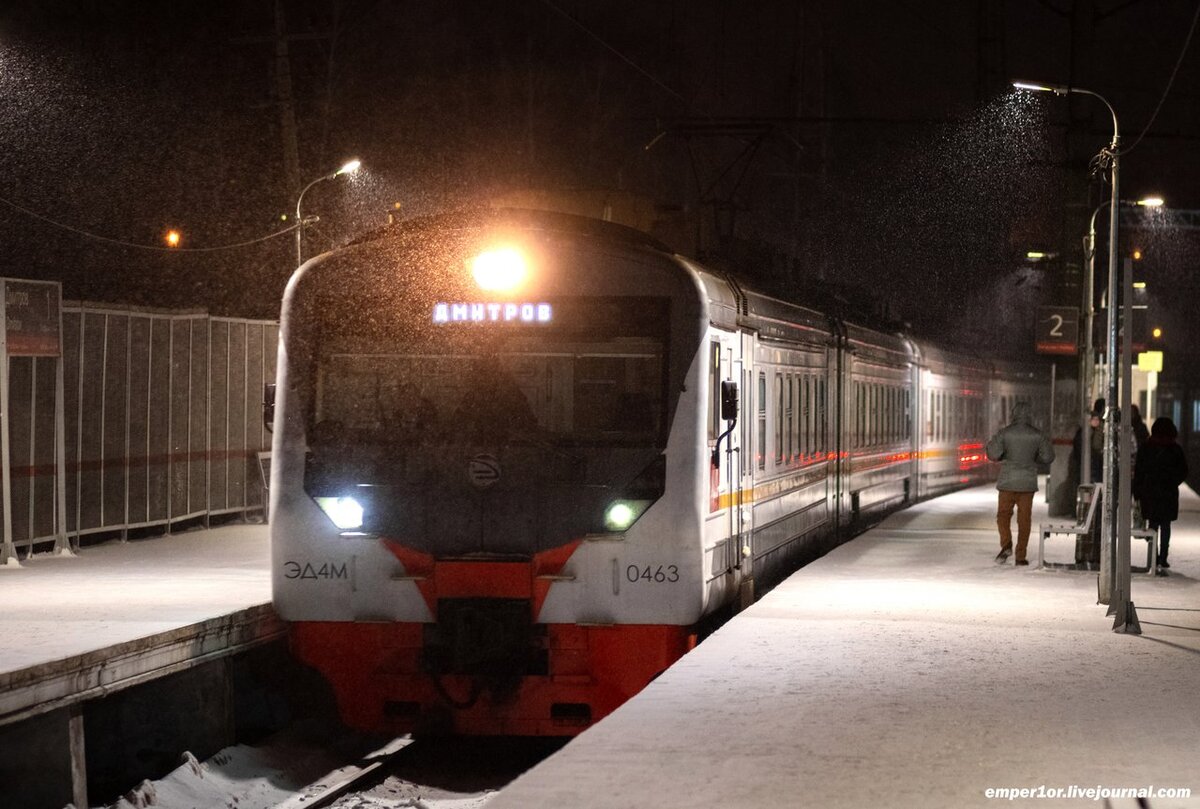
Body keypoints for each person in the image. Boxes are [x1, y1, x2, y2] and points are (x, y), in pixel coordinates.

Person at [986, 401, 1055, 566]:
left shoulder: (1004, 433)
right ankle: (1021, 556)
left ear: (1013, 414)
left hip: (1007, 482)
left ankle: (1006, 544)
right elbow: (1048, 457)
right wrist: (1034, 458)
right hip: (1027, 485)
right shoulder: (1037, 435)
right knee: (1024, 520)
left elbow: (992, 453)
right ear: (1029, 415)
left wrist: (1004, 455)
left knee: (1003, 516)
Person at [1132, 416, 1189, 570]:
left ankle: (1152, 556)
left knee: (1153, 525)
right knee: (1166, 526)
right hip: (1168, 493)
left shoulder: (1146, 447)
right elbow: (1184, 471)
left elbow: (1139, 470)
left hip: (1150, 493)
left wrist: (1137, 491)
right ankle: (1163, 557)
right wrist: (1172, 481)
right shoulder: (1175, 449)